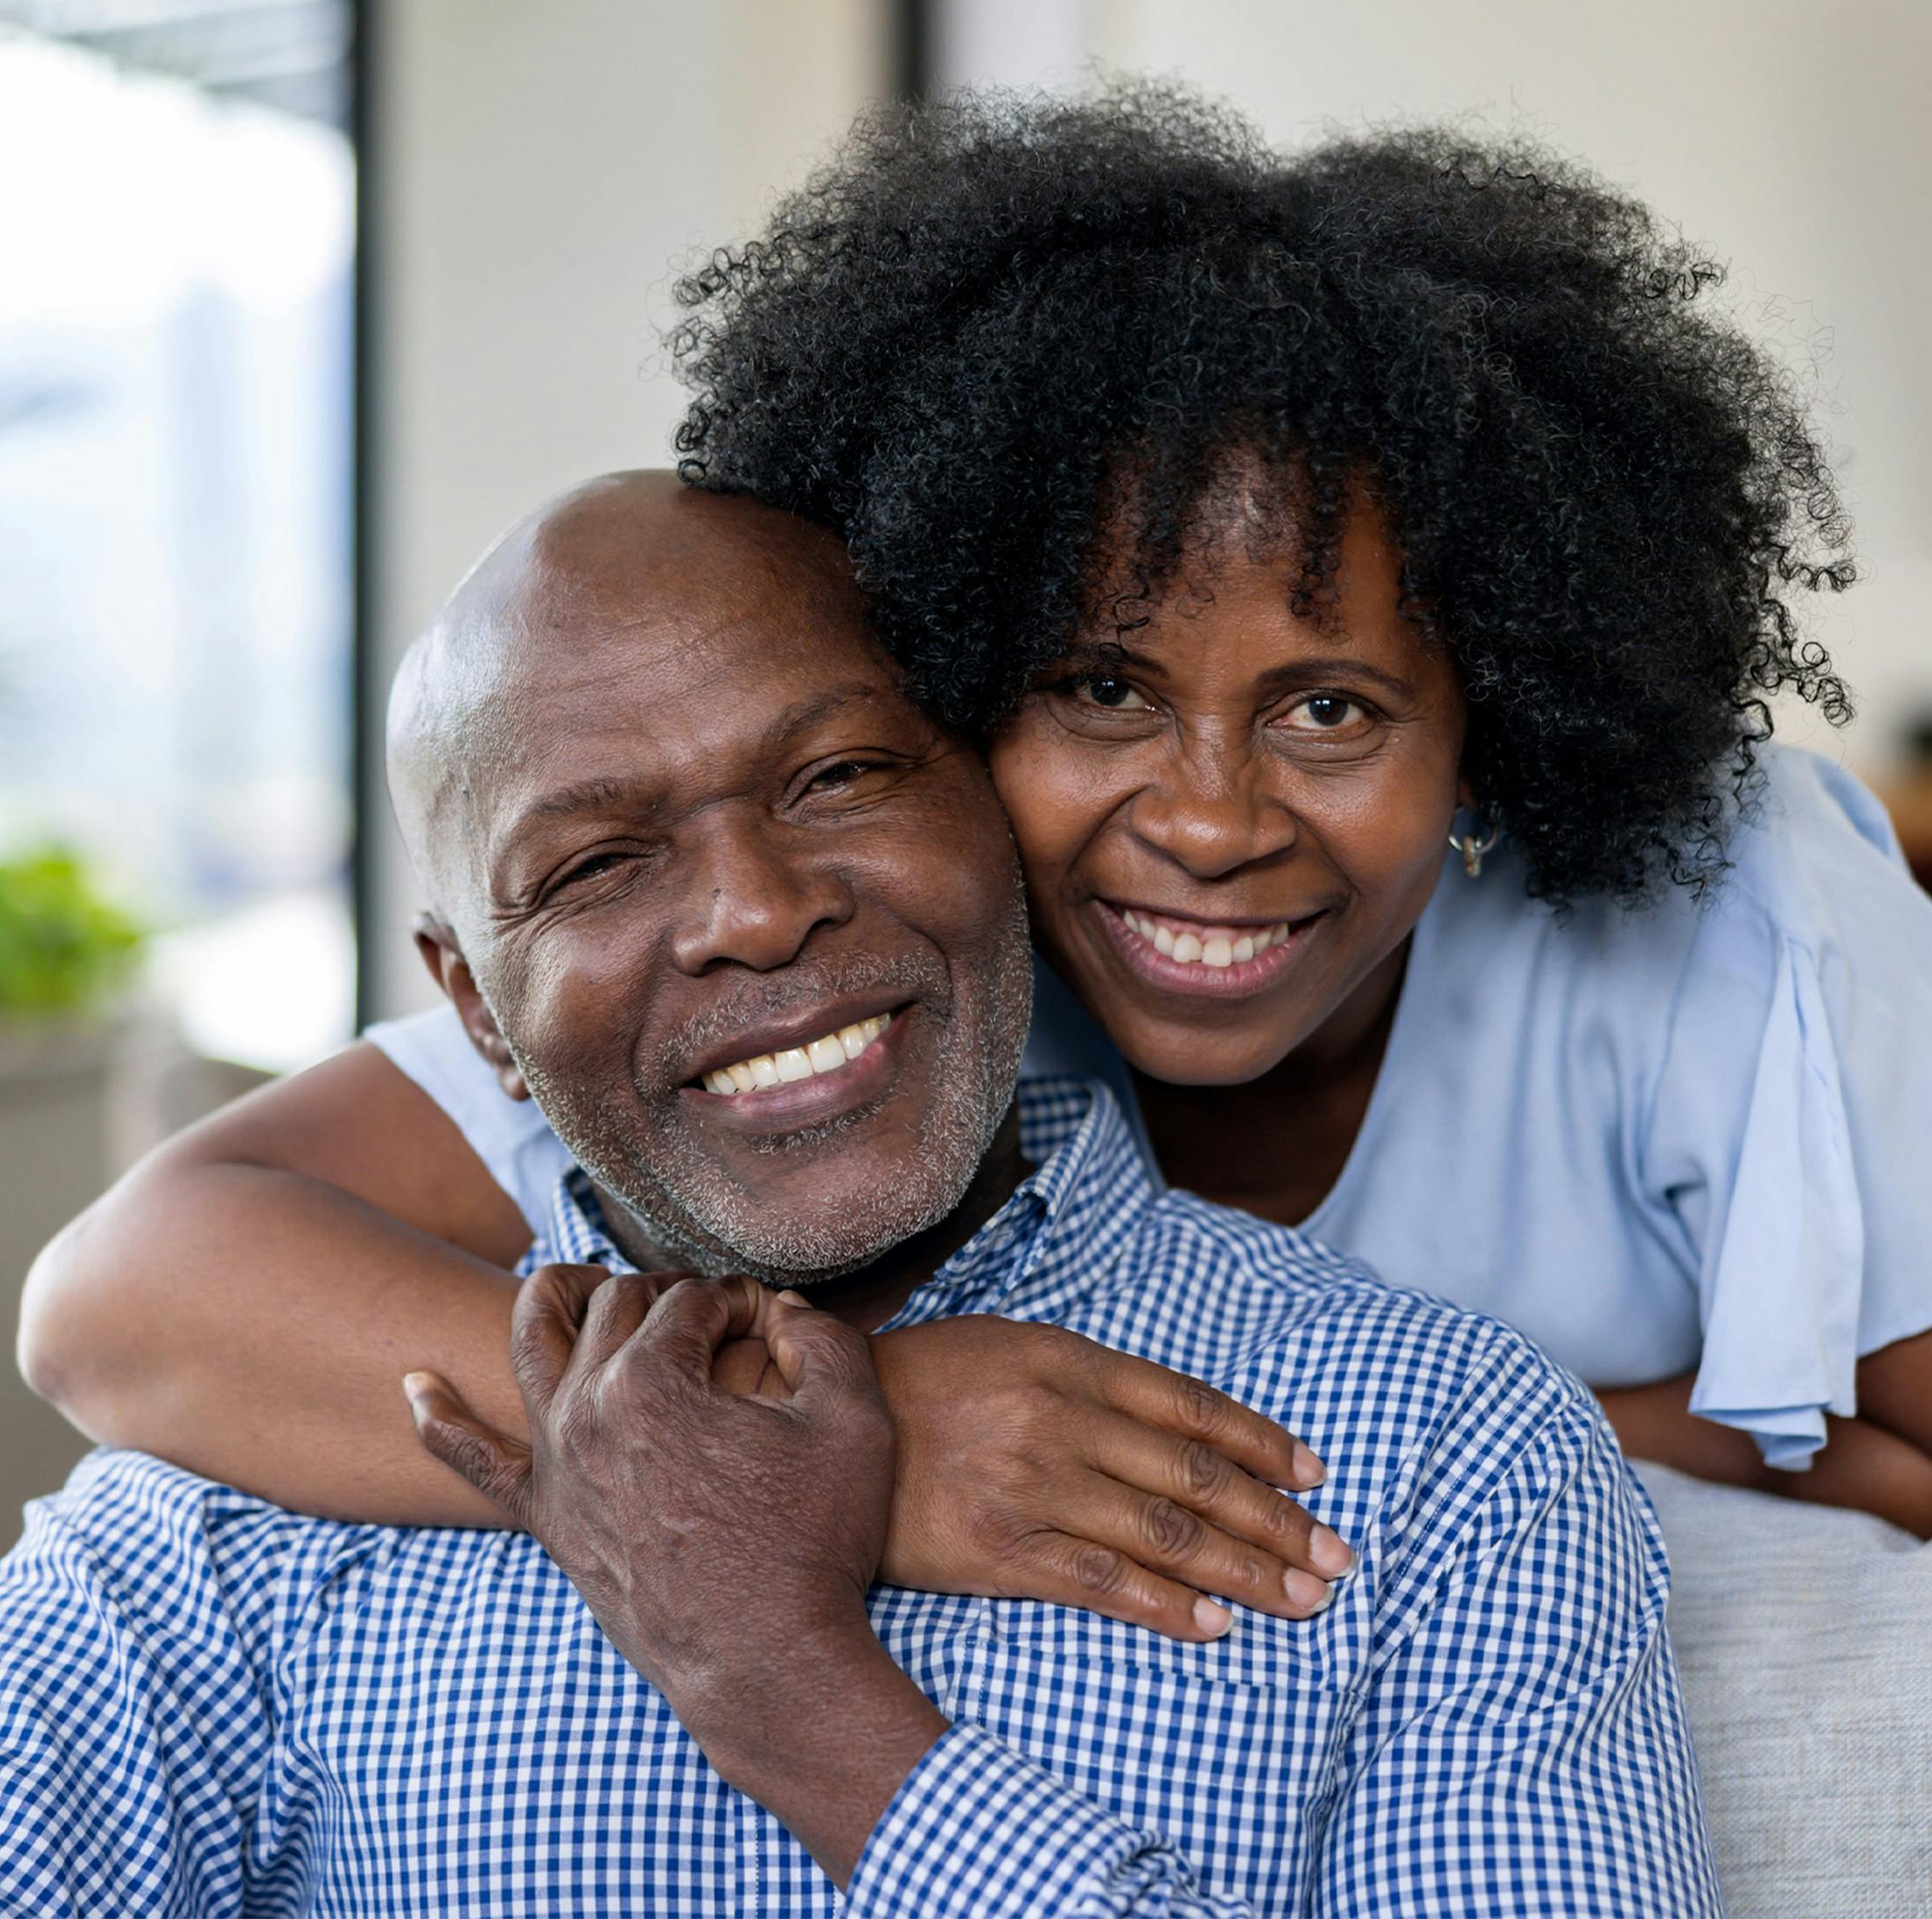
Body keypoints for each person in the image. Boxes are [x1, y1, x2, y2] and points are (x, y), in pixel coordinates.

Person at [22, 89, 1932, 1544]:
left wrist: (1504, 1436)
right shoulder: (874, 973)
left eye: (1331, 708)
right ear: (943, 681)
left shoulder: (1723, 909)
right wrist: (870, 1434)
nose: (1203, 819)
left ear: (1498, 717)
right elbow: (122, 1295)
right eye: (1095, 687)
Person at [0, 476, 1720, 1915]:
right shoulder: (248, 1501)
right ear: (474, 1011)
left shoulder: (1449, 1455)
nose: (751, 910)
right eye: (597, 863)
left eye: (835, 777)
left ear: (996, 803)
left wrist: (799, 1694)